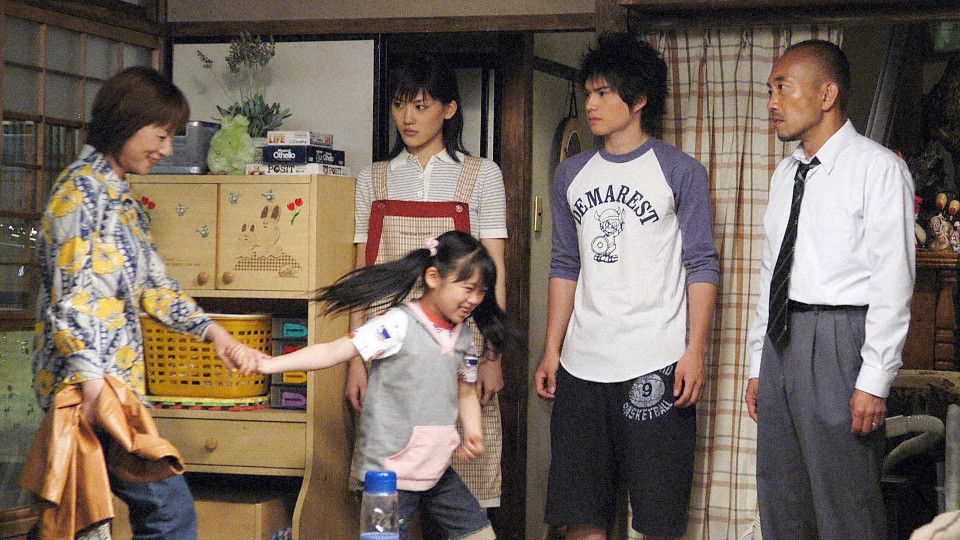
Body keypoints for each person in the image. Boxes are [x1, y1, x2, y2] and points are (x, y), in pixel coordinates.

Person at [28, 66, 267, 539]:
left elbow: (154, 287)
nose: (167, 150)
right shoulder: (80, 195)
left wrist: (215, 334)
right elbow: (71, 303)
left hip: (112, 388)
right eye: (161, 136)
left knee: (79, 519)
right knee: (164, 512)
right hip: (86, 389)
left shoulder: (119, 196)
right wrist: (93, 387)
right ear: (125, 124)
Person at [534, 33, 719, 540]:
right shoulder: (571, 174)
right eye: (588, 93)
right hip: (582, 365)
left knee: (659, 518)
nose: (591, 105)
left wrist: (695, 350)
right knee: (581, 514)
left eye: (603, 93)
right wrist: (551, 349)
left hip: (656, 360)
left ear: (638, 101)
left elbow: (702, 264)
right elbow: (565, 263)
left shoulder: (680, 171)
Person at [744, 39, 914, 539]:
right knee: (782, 497)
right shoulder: (785, 173)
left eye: (782, 88)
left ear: (826, 94)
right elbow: (770, 272)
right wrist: (758, 364)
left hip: (841, 339)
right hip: (781, 339)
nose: (772, 102)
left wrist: (874, 378)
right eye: (770, 90)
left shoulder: (878, 169)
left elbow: (893, 281)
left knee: (846, 502)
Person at [255, 230, 506, 540]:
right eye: (468, 288)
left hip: (437, 469)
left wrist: (474, 432)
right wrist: (270, 364)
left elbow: (466, 390)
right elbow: (335, 351)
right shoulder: (397, 324)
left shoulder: (464, 335)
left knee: (480, 534)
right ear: (433, 277)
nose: (476, 299)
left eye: (482, 292)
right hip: (387, 475)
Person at [348, 54, 508, 509]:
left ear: (449, 109)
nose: (407, 118)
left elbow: (495, 271)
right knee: (389, 495)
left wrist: (493, 354)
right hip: (390, 350)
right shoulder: (374, 178)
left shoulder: (482, 175)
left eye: (420, 106)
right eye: (400, 105)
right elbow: (363, 272)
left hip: (460, 350)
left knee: (464, 489)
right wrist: (356, 361)